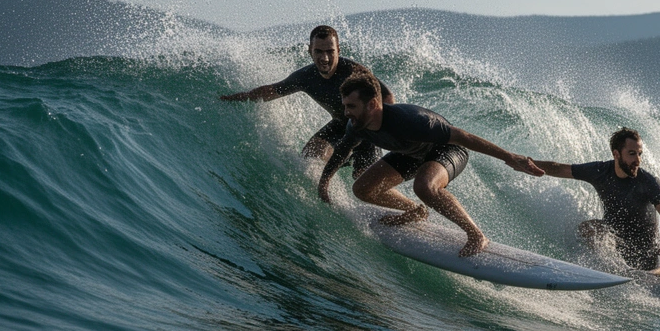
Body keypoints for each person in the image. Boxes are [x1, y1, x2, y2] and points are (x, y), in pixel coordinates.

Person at [317, 75, 544, 257]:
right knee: (362, 189)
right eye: (345, 106)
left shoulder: (412, 121)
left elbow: (463, 137)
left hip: (447, 151)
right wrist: (324, 181)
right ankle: (415, 211)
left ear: (373, 104)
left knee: (425, 186)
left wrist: (509, 157)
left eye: (352, 106)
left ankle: (476, 235)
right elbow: (343, 151)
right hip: (410, 153)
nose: (347, 113)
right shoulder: (356, 126)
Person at [221, 25, 395, 175]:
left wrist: (381, 129)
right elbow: (271, 91)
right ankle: (328, 200)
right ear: (309, 51)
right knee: (310, 156)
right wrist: (237, 97)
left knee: (363, 181)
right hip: (339, 127)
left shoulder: (354, 72)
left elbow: (387, 96)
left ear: (338, 50)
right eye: (318, 51)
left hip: (365, 132)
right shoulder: (305, 77)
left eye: (330, 51)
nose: (324, 58)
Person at [534, 128, 660, 278]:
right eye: (632, 154)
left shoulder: (648, 181)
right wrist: (527, 163)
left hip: (644, 253)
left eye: (639, 154)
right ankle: (607, 268)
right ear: (616, 154)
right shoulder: (601, 171)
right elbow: (559, 168)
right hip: (616, 247)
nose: (638, 160)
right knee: (588, 227)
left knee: (654, 272)